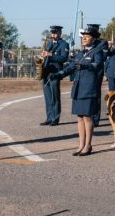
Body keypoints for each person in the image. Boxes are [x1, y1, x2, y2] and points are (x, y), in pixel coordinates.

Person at [50, 24, 106, 156]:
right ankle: (81, 145)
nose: (84, 39)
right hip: (78, 88)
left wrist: (84, 64)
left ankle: (88, 145)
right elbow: (71, 67)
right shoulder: (80, 53)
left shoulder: (97, 52)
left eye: (87, 37)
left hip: (89, 89)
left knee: (87, 117)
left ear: (93, 39)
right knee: (80, 117)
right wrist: (58, 74)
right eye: (83, 37)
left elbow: (97, 65)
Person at [38, 25, 70, 126]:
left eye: (55, 33)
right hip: (46, 71)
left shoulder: (64, 44)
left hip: (55, 72)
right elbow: (45, 56)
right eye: (52, 33)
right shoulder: (49, 43)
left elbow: (63, 58)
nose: (53, 35)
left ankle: (55, 118)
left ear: (60, 33)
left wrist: (50, 55)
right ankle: (49, 117)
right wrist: (42, 58)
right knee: (47, 96)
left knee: (55, 96)